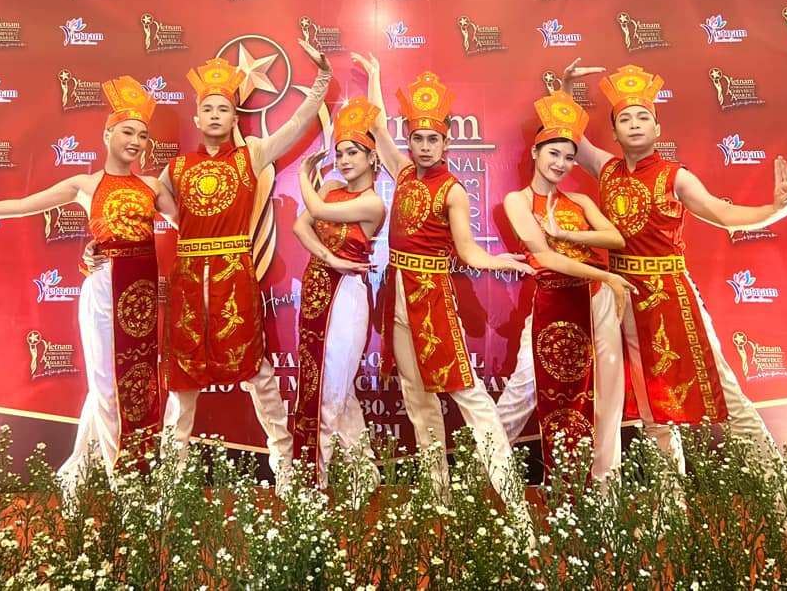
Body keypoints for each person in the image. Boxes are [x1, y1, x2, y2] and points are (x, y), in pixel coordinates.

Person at [0, 76, 175, 491]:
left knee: (138, 385)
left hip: (142, 297)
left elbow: (193, 226)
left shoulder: (151, 187)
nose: (135, 141)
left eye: (143, 135)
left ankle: (77, 473)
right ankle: (126, 482)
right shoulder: (84, 185)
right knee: (106, 385)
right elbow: (23, 205)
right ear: (107, 135)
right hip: (103, 288)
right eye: (127, 131)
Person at [569, 61, 787, 471]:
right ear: (615, 132)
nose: (634, 124)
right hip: (624, 298)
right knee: (651, 406)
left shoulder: (675, 176)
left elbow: (721, 213)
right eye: (625, 119)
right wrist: (567, 88)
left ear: (657, 129)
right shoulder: (606, 169)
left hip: (672, 295)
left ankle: (775, 486)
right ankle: (670, 499)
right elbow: (572, 135)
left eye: (643, 117)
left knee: (725, 390)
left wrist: (775, 210)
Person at [352, 52, 534, 503]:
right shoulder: (403, 174)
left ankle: (510, 493)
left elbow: (467, 250)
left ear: (446, 142)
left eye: (433, 139)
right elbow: (376, 126)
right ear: (410, 141)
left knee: (467, 394)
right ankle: (438, 494)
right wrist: (375, 76)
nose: (425, 146)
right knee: (417, 397)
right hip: (397, 294)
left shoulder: (452, 190)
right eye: (418, 138)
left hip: (432, 296)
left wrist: (500, 261)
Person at [159, 40, 331, 486]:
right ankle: (169, 483)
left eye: (224, 109)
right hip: (188, 284)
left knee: (258, 374)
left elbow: (296, 124)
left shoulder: (251, 155)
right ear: (197, 119)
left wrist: (322, 79)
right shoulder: (176, 169)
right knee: (182, 386)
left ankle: (286, 469)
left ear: (236, 118)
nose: (216, 115)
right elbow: (148, 205)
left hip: (234, 280)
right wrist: (99, 245)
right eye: (208, 109)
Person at [496, 91, 635, 483]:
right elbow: (545, 257)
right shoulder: (517, 201)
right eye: (553, 153)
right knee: (523, 388)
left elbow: (616, 238)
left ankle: (605, 485)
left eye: (569, 157)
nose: (560, 163)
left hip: (596, 302)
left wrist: (570, 236)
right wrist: (606, 275)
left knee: (607, 394)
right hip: (554, 300)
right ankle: (483, 471)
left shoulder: (579, 200)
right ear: (535, 152)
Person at [291, 96, 385, 489]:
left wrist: (302, 173)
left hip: (346, 295)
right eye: (340, 153)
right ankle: (365, 476)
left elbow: (318, 213)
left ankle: (315, 481)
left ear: (372, 158)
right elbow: (300, 227)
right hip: (317, 286)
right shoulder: (330, 186)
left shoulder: (373, 203)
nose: (344, 160)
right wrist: (330, 257)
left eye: (353, 153)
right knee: (323, 386)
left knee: (332, 389)